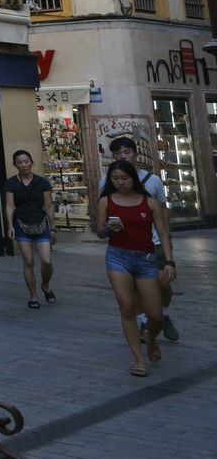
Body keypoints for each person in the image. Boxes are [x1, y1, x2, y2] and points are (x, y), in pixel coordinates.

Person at [97, 159, 175, 377]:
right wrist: (108, 228)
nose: (120, 182)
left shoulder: (149, 202)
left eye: (125, 178)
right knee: (127, 306)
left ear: (133, 178)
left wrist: (169, 262)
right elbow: (100, 232)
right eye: (115, 178)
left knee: (156, 316)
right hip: (117, 258)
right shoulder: (105, 201)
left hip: (146, 260)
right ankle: (139, 360)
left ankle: (150, 337)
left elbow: (163, 233)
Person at [3, 149, 54, 308]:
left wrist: (53, 227)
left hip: (41, 223)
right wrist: (10, 225)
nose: (24, 165)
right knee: (29, 261)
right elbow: (9, 205)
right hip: (21, 225)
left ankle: (45, 285)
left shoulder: (42, 182)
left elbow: (48, 205)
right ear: (15, 165)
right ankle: (33, 297)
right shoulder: (11, 183)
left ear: (31, 162)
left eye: (26, 161)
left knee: (46, 261)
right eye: (20, 162)